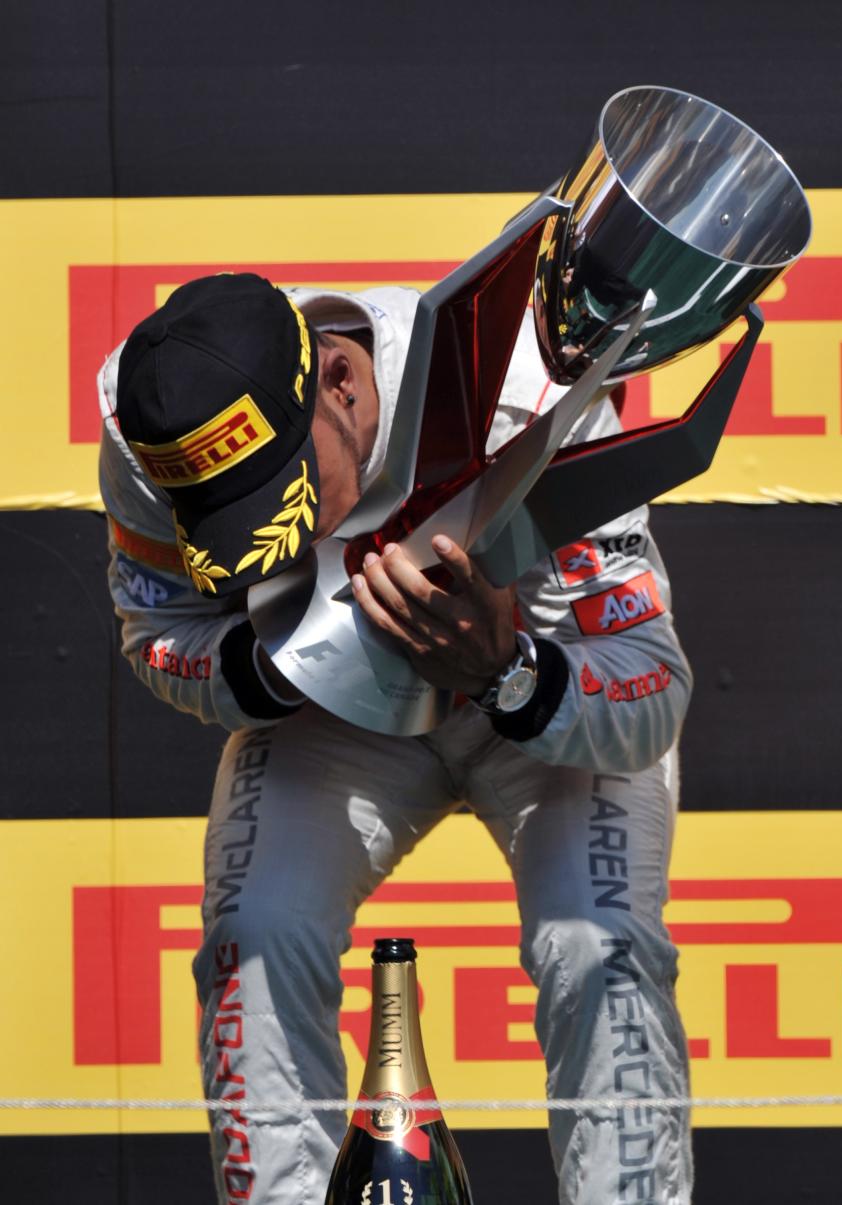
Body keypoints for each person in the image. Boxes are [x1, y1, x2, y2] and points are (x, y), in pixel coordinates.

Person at [98, 271, 694, 1205]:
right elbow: (159, 635)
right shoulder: (151, 425)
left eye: (289, 497)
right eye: (234, 521)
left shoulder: (523, 390)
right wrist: (266, 670)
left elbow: (651, 689)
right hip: (328, 708)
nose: (276, 543)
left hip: (545, 680)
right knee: (252, 937)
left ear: (341, 382)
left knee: (600, 944)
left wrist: (509, 671)